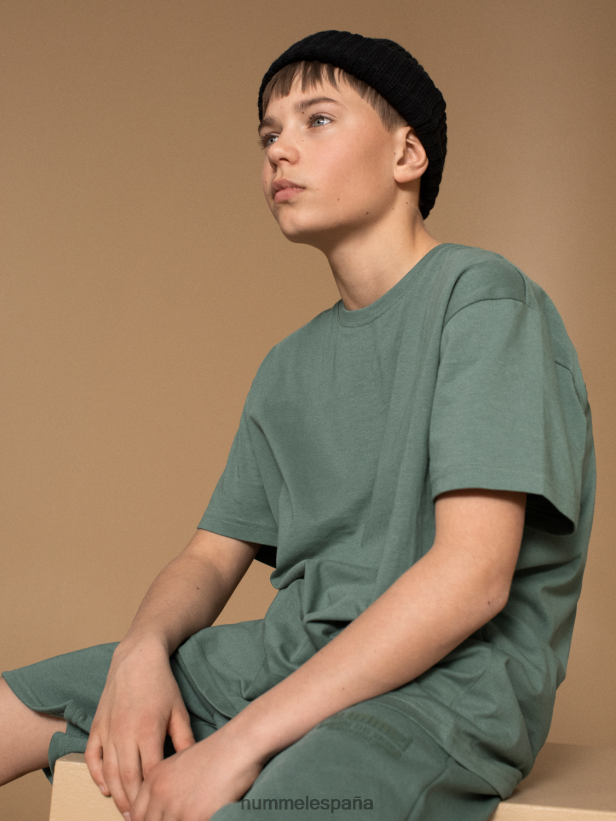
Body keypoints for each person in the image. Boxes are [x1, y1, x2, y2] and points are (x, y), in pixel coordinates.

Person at [0, 29, 595, 821]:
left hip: (447, 693)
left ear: (407, 154)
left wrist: (236, 745)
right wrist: (141, 653)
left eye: (317, 120)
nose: (280, 149)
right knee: (12, 710)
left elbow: (471, 578)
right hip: (289, 661)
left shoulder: (483, 300)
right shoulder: (287, 365)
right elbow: (208, 556)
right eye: (268, 134)